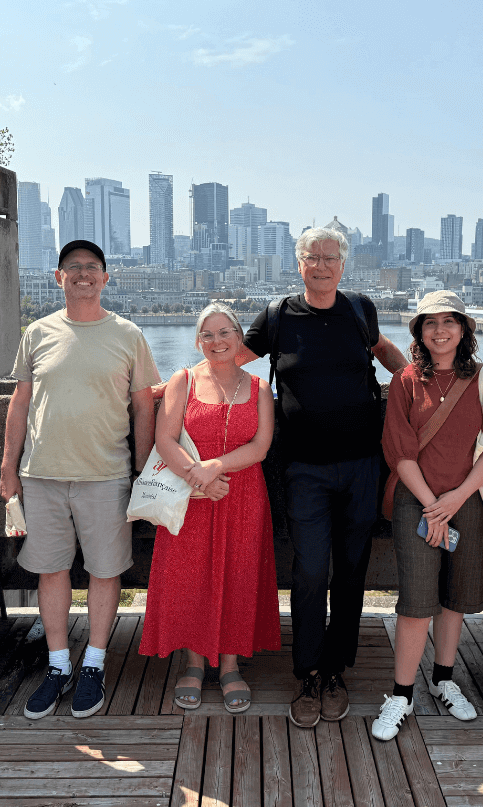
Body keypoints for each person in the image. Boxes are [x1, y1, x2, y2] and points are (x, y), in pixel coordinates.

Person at [236, 227, 409, 728]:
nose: (321, 265)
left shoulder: (360, 308)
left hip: (362, 465)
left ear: (343, 265)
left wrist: (420, 386)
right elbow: (233, 360)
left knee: (352, 570)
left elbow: (384, 351)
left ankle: (337, 669)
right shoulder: (277, 316)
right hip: (303, 468)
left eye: (330, 258)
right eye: (312, 257)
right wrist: (177, 386)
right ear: (299, 264)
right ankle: (307, 671)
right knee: (311, 572)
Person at [0, 240, 160, 720]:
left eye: (92, 267)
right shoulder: (37, 333)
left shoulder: (129, 334)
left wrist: (143, 468)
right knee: (51, 570)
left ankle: (93, 663)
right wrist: (9, 466)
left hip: (107, 474)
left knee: (105, 571)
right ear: (58, 277)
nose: (83, 274)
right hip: (42, 475)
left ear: (106, 279)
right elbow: (20, 402)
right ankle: (57, 664)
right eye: (74, 267)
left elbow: (144, 406)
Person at [371, 291, 483, 741]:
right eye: (429, 322)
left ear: (464, 329)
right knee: (416, 600)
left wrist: (455, 498)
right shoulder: (405, 381)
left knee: (456, 595)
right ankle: (401, 693)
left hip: (467, 500)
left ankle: (444, 679)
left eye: (449, 322)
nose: (440, 330)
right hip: (415, 498)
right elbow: (399, 451)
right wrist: (433, 504)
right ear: (418, 332)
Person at [139, 303, 280, 713]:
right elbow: (164, 438)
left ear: (239, 337)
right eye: (207, 335)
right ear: (198, 341)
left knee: (238, 576)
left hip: (243, 496)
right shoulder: (183, 380)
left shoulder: (259, 388)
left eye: (224, 333)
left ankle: (232, 664)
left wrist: (214, 468)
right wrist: (196, 477)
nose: (216, 342)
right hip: (189, 495)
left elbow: (261, 446)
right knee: (189, 577)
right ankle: (195, 662)